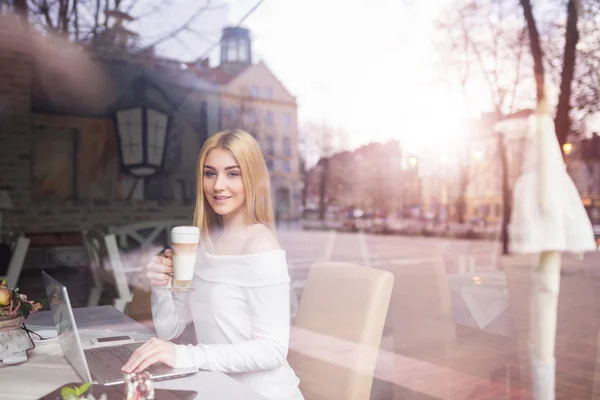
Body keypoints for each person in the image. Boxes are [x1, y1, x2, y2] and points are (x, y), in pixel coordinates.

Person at [122, 129, 304, 400]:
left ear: (251, 179)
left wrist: (183, 354)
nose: (218, 185)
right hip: (216, 389)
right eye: (210, 173)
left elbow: (273, 350)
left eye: (233, 173)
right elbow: (169, 329)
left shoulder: (262, 247)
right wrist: (161, 286)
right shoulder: (202, 243)